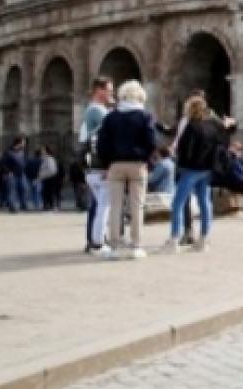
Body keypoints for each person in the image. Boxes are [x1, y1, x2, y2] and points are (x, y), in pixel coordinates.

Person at [96, 80, 158, 260]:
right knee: (137, 206)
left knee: (115, 206)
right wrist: (145, 159)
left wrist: (107, 163)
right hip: (137, 164)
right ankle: (136, 245)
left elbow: (102, 144)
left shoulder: (111, 117)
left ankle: (114, 246)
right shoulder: (145, 116)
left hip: (115, 164)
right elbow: (152, 142)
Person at [163, 96, 224, 253]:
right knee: (205, 202)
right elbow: (219, 144)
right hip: (207, 169)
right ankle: (204, 239)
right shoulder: (211, 126)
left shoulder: (191, 126)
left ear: (190, 109)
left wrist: (180, 160)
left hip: (191, 169)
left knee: (178, 203)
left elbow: (185, 149)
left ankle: (174, 238)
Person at [80, 78, 114, 252]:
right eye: (109, 90)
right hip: (100, 163)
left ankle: (93, 239)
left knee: (97, 204)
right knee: (101, 206)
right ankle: (97, 240)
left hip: (93, 163)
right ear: (98, 90)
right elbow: (108, 133)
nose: (111, 93)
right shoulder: (97, 111)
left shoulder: (94, 109)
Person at [1, 138, 28, 212]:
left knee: (24, 189)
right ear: (18, 143)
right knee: (11, 191)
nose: (24, 144)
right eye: (23, 143)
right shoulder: (8, 152)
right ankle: (12, 207)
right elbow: (2, 163)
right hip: (12, 174)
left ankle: (23, 205)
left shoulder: (22, 152)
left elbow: (23, 162)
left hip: (21, 174)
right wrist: (8, 172)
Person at [38, 146, 61, 211]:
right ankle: (48, 206)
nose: (42, 152)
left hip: (49, 179)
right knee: (46, 193)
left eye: (43, 150)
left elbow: (52, 170)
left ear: (47, 151)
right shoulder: (45, 159)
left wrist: (42, 175)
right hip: (46, 179)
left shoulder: (49, 159)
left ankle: (51, 206)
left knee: (49, 193)